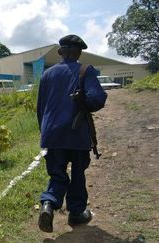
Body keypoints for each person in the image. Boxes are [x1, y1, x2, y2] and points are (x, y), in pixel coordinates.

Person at [36, 34, 107, 233]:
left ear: (60, 52)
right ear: (79, 53)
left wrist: (46, 132)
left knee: (57, 174)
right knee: (77, 174)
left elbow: (41, 108)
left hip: (52, 135)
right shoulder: (86, 70)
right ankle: (76, 213)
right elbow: (97, 100)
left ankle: (48, 204)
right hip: (77, 134)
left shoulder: (47, 74)